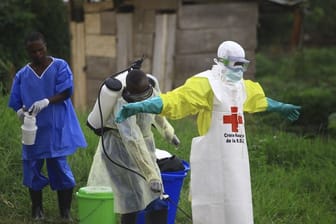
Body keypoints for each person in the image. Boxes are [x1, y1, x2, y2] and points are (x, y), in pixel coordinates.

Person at [115, 41, 301, 224]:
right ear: (221, 61)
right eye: (236, 64)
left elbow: (260, 101)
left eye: (243, 64)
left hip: (237, 163)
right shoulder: (206, 84)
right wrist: (139, 106)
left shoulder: (242, 87)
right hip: (212, 162)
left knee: (239, 206)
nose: (240, 70)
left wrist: (281, 107)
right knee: (213, 208)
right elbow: (173, 101)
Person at [8, 31, 87, 222]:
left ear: (46, 47)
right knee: (32, 167)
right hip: (32, 129)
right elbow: (16, 99)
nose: (37, 55)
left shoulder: (59, 66)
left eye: (40, 50)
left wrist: (46, 101)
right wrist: (20, 111)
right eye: (32, 52)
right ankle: (37, 210)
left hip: (55, 126)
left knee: (59, 167)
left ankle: (65, 212)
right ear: (27, 52)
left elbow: (67, 91)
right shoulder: (23, 74)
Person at [86, 68, 180, 224]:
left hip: (145, 147)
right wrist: (151, 175)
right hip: (119, 151)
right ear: (129, 92)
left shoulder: (151, 89)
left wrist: (169, 133)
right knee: (131, 200)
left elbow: (157, 112)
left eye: (145, 94)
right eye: (138, 96)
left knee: (155, 198)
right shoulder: (122, 105)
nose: (142, 99)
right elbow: (132, 140)